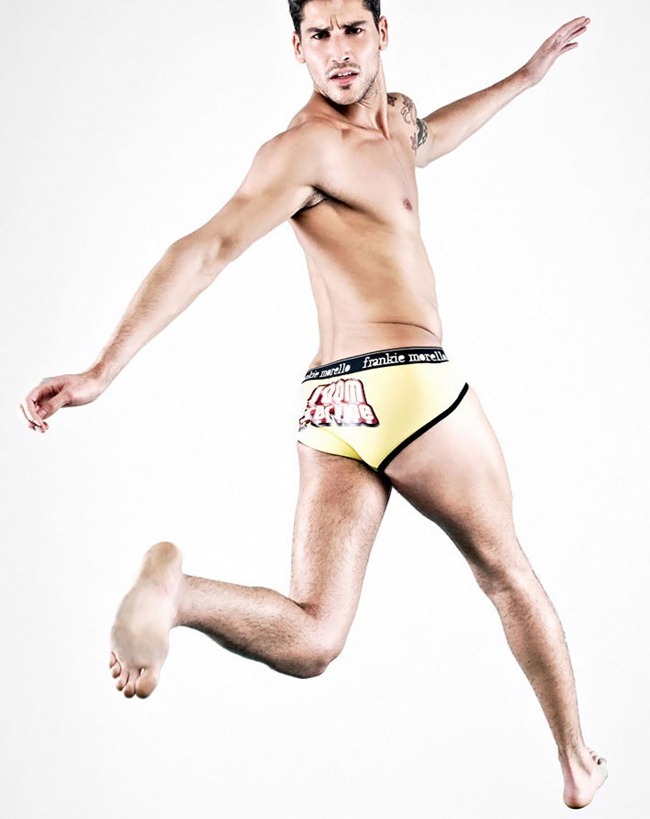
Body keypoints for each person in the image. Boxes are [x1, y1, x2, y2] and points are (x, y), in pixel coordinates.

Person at [20, 0, 607, 809]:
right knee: (506, 573)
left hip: (331, 404)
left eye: (351, 30)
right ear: (296, 48)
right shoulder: (306, 147)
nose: (338, 51)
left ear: (382, 32)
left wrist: (524, 78)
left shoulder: (394, 124)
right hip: (409, 383)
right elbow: (209, 246)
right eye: (319, 36)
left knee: (315, 637)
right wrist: (101, 369)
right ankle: (577, 760)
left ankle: (181, 594)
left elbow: (429, 136)